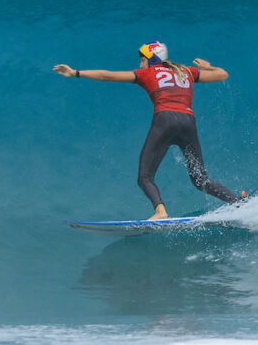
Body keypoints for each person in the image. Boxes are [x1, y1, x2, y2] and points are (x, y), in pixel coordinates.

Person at [53, 41, 241, 220]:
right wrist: (207, 66)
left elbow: (107, 75)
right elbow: (223, 74)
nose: (140, 63)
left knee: (145, 177)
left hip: (165, 120)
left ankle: (160, 211)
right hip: (188, 121)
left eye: (143, 59)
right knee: (201, 180)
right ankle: (237, 203)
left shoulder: (148, 73)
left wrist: (75, 73)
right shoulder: (186, 71)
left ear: (152, 59)